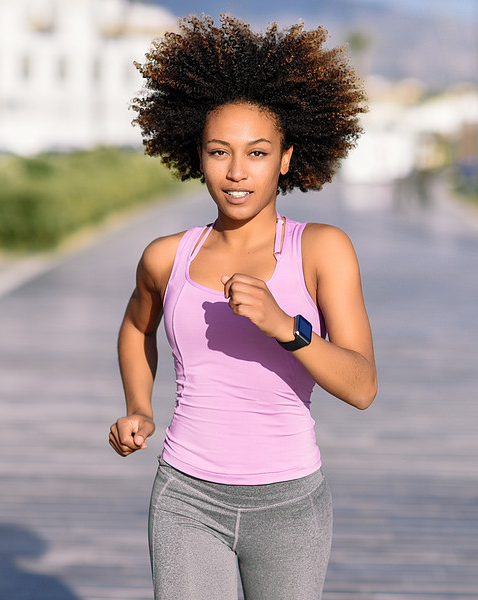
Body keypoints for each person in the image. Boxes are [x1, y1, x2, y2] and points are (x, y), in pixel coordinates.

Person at [108, 14, 376, 600]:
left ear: (285, 158)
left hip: (290, 504)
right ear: (196, 155)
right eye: (218, 151)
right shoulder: (165, 257)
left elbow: (361, 387)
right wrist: (139, 406)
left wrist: (288, 328)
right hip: (186, 497)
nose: (236, 172)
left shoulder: (322, 250)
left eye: (257, 152)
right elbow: (135, 329)